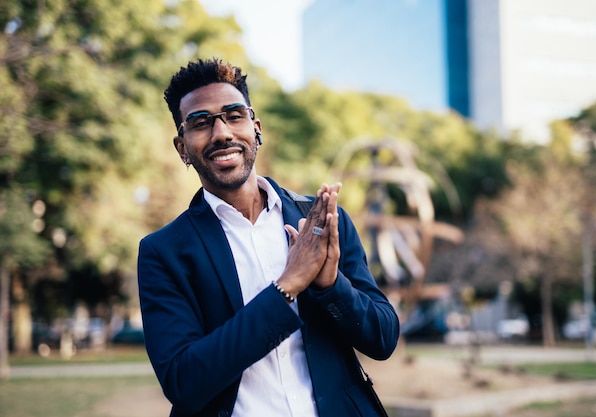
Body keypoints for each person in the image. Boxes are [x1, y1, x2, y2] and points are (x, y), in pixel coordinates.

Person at [137, 57, 399, 417]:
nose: (222, 133)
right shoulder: (163, 252)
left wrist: (328, 284)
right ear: (182, 147)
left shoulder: (320, 222)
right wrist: (287, 285)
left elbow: (383, 338)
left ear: (255, 127)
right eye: (201, 123)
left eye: (234, 115)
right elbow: (184, 382)